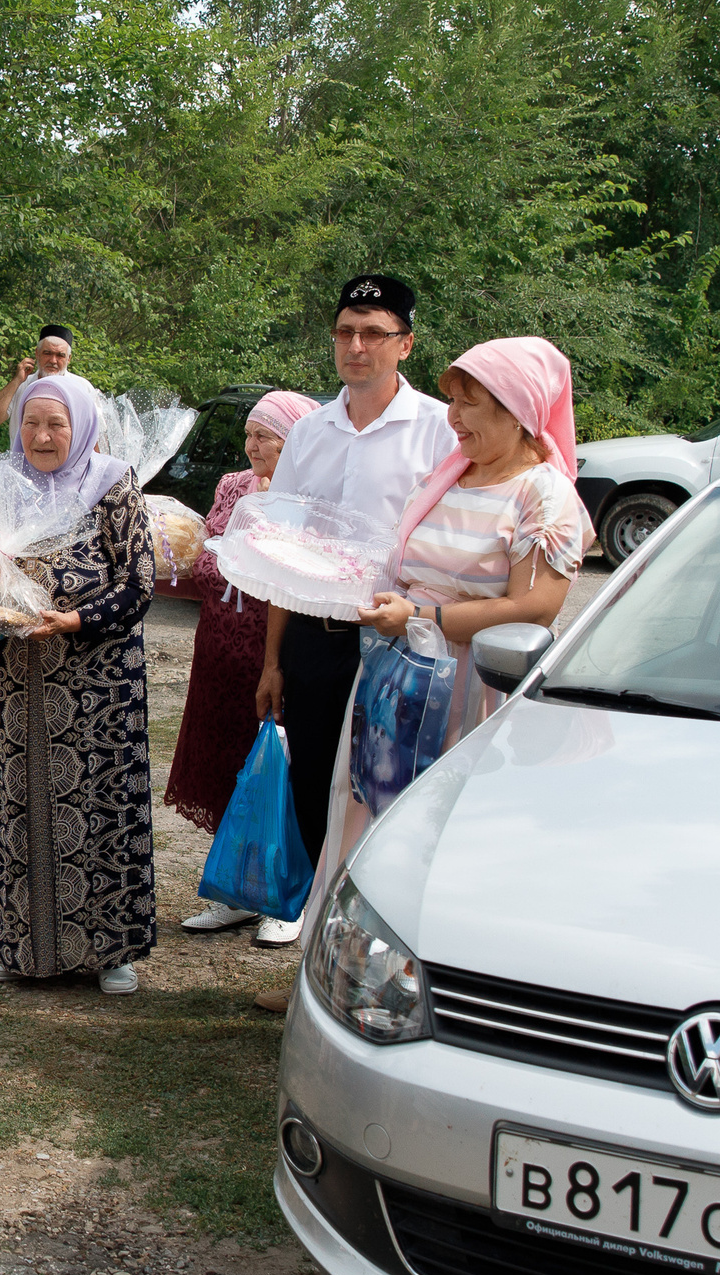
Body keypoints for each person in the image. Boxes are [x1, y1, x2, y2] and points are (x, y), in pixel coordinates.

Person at [250, 274, 456, 950]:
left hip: (396, 644)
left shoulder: (436, 429)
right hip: (315, 638)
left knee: (387, 798)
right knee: (313, 791)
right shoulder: (309, 431)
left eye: (374, 333)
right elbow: (284, 552)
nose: (356, 346)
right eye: (345, 332)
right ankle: (313, 954)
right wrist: (274, 660)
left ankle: (380, 953)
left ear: (406, 344)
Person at [332, 338, 588, 847]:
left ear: (519, 413)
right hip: (401, 676)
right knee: (370, 809)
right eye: (452, 400)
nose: (453, 416)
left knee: (441, 824)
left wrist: (421, 617)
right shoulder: (447, 478)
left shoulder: (542, 493)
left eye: (470, 402)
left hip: (475, 686)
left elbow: (535, 609)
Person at [0, 374, 158, 993]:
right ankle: (15, 944)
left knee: (102, 807)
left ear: (81, 426)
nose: (43, 436)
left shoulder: (113, 485)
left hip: (98, 685)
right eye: (31, 422)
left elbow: (139, 583)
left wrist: (76, 620)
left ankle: (112, 951)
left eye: (57, 424)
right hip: (17, 682)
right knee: (14, 804)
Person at [167, 389, 318, 932]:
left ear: (296, 441)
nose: (253, 445)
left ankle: (286, 898)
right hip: (218, 646)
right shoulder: (231, 485)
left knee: (281, 767)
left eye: (266, 436)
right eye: (250, 434)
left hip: (271, 647)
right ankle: (235, 888)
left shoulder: (309, 493)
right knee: (228, 762)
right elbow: (208, 544)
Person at [0, 324, 75, 428]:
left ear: (69, 358)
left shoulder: (81, 388)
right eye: (47, 353)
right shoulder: (21, 385)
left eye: (60, 355)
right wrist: (17, 380)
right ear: (37, 353)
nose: (53, 361)